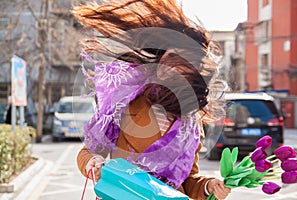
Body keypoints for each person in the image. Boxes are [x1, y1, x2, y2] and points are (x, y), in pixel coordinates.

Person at [72, 0, 231, 199]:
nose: (171, 69)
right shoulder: (126, 102)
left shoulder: (191, 123)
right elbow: (88, 151)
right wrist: (93, 162)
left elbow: (189, 180)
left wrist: (209, 186)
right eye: (170, 60)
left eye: (183, 65)